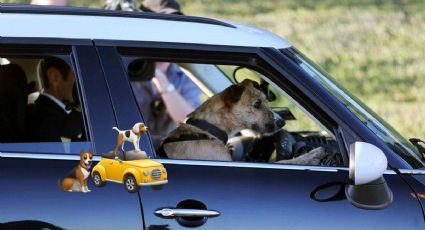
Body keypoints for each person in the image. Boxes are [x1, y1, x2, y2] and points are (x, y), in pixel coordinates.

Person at [132, 0, 202, 147]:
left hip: (170, 158)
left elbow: (193, 124)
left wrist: (162, 82)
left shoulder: (185, 74)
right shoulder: (126, 68)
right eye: (161, 29)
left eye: (173, 29)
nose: (167, 36)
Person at [28, 57, 84, 142]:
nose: (82, 81)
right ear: (55, 77)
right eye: (78, 74)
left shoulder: (66, 113)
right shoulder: (45, 123)